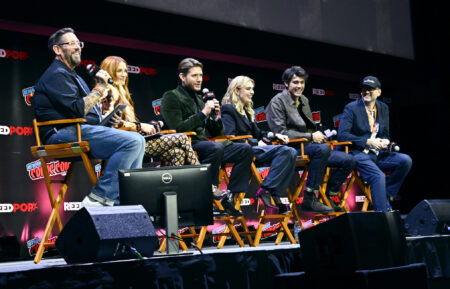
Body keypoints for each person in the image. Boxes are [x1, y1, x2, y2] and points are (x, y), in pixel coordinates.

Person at [31, 27, 146, 207]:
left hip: (78, 130)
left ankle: (126, 202)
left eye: (79, 43)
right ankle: (100, 197)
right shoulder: (56, 74)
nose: (78, 47)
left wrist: (106, 122)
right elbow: (77, 110)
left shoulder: (72, 75)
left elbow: (85, 113)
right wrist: (99, 88)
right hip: (60, 135)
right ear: (58, 50)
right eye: (72, 44)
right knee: (132, 142)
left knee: (139, 140)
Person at [161, 58, 254, 217]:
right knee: (215, 148)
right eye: (194, 75)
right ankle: (209, 194)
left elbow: (218, 134)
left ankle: (231, 196)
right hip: (186, 145)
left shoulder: (199, 98)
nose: (199, 79)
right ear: (183, 77)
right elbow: (177, 129)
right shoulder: (171, 96)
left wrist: (215, 117)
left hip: (207, 147)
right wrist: (203, 113)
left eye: (201, 75)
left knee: (245, 149)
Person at [265, 66, 355, 213]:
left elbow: (309, 128)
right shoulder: (277, 102)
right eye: (295, 82)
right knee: (323, 149)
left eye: (302, 82)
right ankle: (310, 197)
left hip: (309, 146)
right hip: (290, 149)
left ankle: (330, 196)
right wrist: (311, 136)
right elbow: (281, 133)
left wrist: (316, 136)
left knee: (349, 160)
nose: (299, 86)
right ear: (286, 83)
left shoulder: (304, 100)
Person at [99, 56, 200, 167]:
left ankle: (172, 184)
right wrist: (139, 126)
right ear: (110, 72)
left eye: (125, 71)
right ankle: (203, 179)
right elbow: (109, 125)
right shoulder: (108, 93)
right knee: (182, 138)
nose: (124, 74)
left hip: (135, 140)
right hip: (124, 144)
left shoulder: (122, 92)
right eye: (119, 71)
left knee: (178, 153)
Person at [221, 76, 297, 214]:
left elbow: (258, 132)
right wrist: (256, 142)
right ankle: (268, 191)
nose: (252, 92)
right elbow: (230, 137)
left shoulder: (246, 110)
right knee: (285, 151)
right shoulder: (228, 109)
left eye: (253, 89)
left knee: (291, 152)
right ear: (237, 91)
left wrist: (274, 135)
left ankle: (270, 190)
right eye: (248, 89)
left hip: (254, 148)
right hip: (242, 150)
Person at [337, 76, 412, 212]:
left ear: (379, 92)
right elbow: (342, 134)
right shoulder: (351, 108)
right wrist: (367, 141)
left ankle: (386, 195)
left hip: (378, 154)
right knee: (378, 176)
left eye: (370, 89)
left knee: (405, 160)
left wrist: (385, 141)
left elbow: (385, 134)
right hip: (358, 153)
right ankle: (382, 216)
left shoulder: (383, 108)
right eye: (364, 89)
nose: (366, 92)